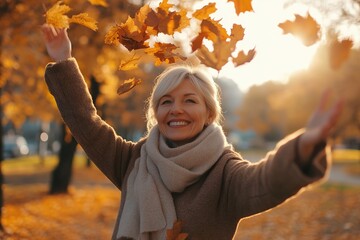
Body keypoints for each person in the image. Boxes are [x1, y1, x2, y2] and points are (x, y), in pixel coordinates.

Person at [41, 24, 343, 240]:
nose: (176, 109)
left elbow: (265, 181)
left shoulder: (225, 172)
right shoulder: (132, 161)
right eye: (166, 101)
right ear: (156, 112)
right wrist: (64, 61)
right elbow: (86, 123)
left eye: (190, 100)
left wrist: (303, 146)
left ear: (209, 112)